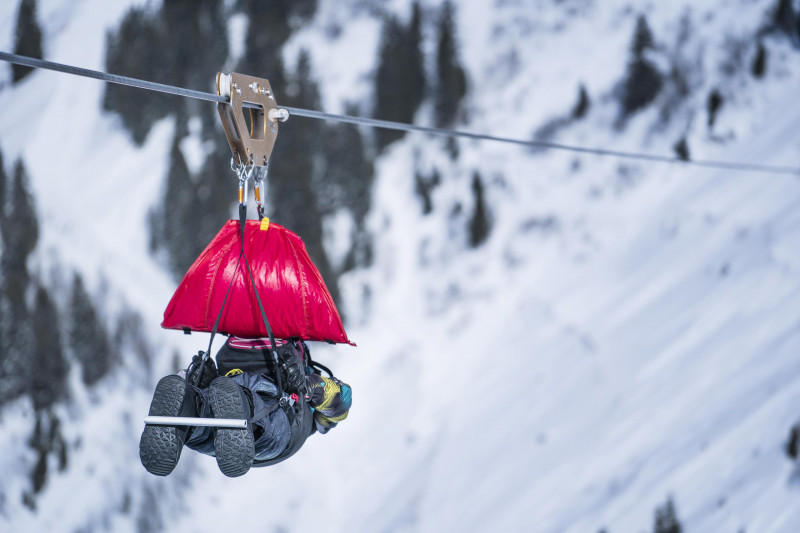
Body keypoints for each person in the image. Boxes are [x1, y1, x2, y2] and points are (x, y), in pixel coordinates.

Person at [139, 336, 352, 477]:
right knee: (217, 414)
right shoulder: (239, 342)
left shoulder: (305, 408)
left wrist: (311, 386)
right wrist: (206, 381)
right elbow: (342, 400)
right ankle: (187, 408)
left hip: (274, 420)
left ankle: (198, 410)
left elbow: (341, 399)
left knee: (248, 414)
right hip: (241, 413)